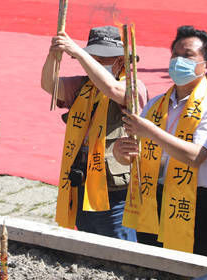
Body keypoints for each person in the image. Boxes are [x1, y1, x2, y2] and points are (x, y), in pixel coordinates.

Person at [115, 25, 207, 256]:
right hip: (153, 195)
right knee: (152, 266)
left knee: (189, 270)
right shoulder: (156, 104)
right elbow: (138, 152)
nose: (178, 61)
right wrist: (122, 152)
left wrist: (150, 131)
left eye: (187, 56)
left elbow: (195, 156)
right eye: (175, 55)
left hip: (194, 201)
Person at [41, 26, 146, 241]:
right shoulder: (82, 85)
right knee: (89, 243)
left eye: (104, 59)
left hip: (113, 187)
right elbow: (49, 84)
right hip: (81, 180)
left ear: (120, 60)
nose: (96, 63)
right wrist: (54, 54)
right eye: (94, 57)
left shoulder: (133, 85)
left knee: (120, 248)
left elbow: (114, 91)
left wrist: (79, 53)